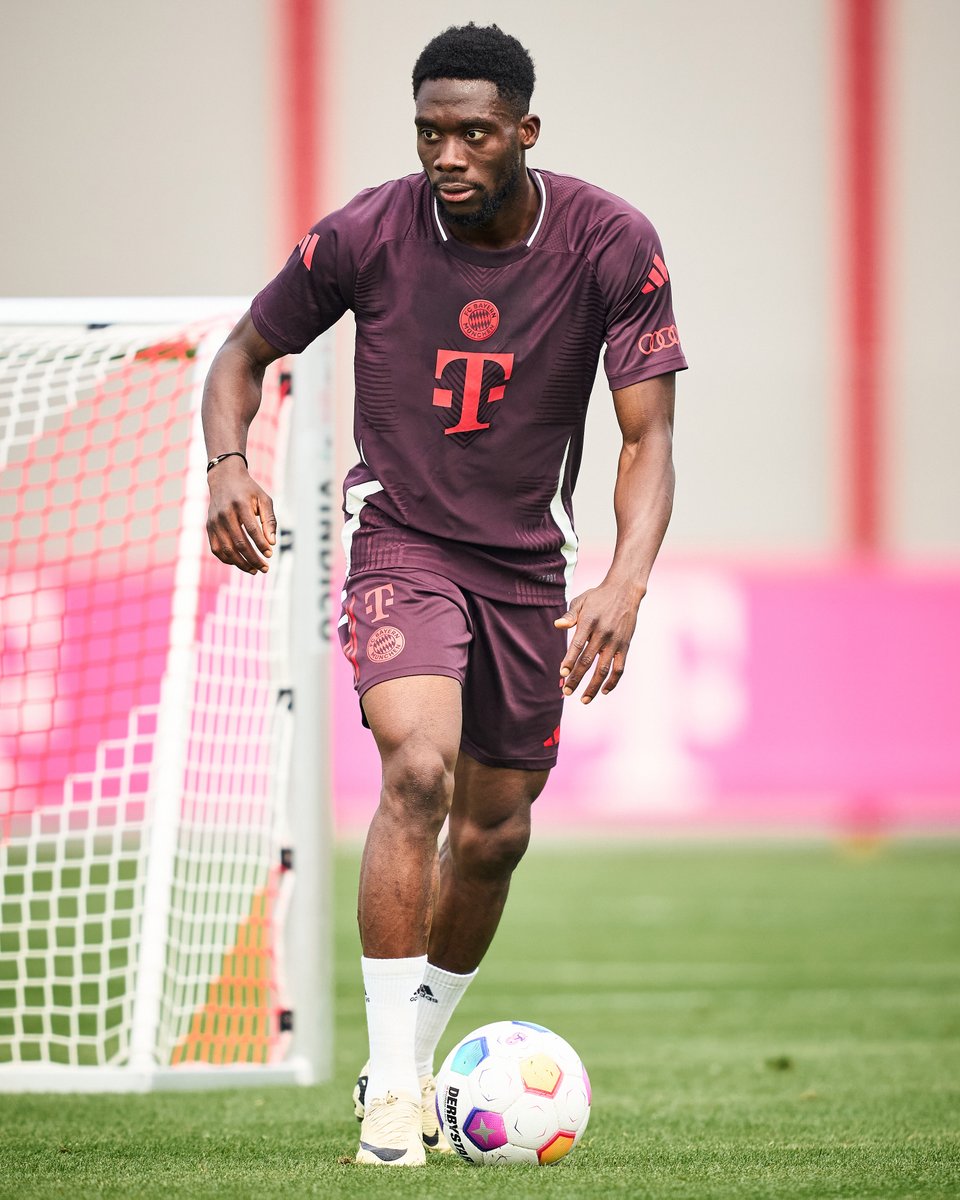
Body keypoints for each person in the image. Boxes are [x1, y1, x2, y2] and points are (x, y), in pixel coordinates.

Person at [202, 22, 686, 1167]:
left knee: (496, 832)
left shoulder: (612, 240)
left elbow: (648, 434)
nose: (447, 155)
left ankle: (406, 1060)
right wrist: (230, 465)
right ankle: (390, 1102)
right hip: (401, 540)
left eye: (473, 133)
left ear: (525, 132)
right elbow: (237, 357)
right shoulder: (365, 234)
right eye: (430, 132)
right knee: (417, 768)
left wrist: (625, 575)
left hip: (528, 565)